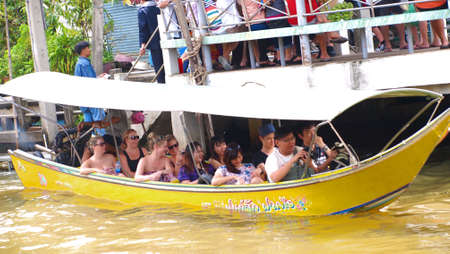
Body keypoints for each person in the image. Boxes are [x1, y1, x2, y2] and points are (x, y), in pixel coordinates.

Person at [74, 41, 107, 136]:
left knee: (88, 124)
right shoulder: (85, 63)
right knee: (99, 121)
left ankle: (90, 143)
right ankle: (103, 141)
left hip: (83, 100)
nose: (89, 50)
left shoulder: (78, 64)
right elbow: (91, 82)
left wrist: (98, 77)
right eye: (87, 48)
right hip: (92, 98)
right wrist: (101, 79)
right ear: (83, 50)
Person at [138, 0, 165, 83]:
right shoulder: (160, 7)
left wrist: (142, 45)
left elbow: (143, 29)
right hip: (166, 39)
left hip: (154, 44)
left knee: (159, 70)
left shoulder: (142, 11)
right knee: (169, 65)